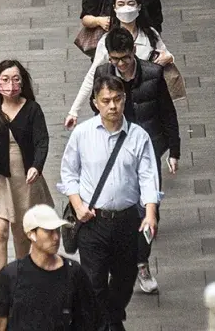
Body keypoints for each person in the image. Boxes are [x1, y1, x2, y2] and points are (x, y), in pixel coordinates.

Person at [58, 75, 160, 331]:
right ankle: (108, 326)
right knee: (94, 281)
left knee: (125, 279)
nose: (113, 106)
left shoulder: (138, 136)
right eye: (106, 101)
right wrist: (78, 205)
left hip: (127, 220)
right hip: (93, 221)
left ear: (125, 99)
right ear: (96, 103)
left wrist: (150, 212)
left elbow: (148, 177)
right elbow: (68, 172)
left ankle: (110, 319)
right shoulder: (82, 134)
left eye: (117, 99)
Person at [88, 27, 180, 295]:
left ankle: (141, 262)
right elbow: (97, 111)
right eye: (115, 59)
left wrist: (174, 150)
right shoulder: (103, 74)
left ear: (133, 52)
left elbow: (167, 113)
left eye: (125, 58)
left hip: (148, 152)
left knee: (149, 213)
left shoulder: (152, 74)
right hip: (114, 154)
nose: (120, 64)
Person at [0, 61, 56, 310]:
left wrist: (37, 166)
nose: (12, 85)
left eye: (17, 79)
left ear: (23, 82)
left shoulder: (32, 109)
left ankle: (23, 285)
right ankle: (0, 290)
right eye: (6, 79)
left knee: (23, 234)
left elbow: (42, 141)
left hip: (26, 178)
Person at [0, 204, 99, 330]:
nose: (56, 237)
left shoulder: (74, 273)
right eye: (48, 231)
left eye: (57, 230)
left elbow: (90, 320)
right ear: (31, 234)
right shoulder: (11, 275)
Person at [70, 0, 173, 124]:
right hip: (118, 105)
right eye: (121, 4)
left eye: (130, 3)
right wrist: (74, 110)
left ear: (139, 7)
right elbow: (92, 76)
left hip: (147, 102)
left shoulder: (150, 35)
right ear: (114, 8)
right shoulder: (107, 40)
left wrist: (167, 58)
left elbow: (168, 56)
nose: (126, 8)